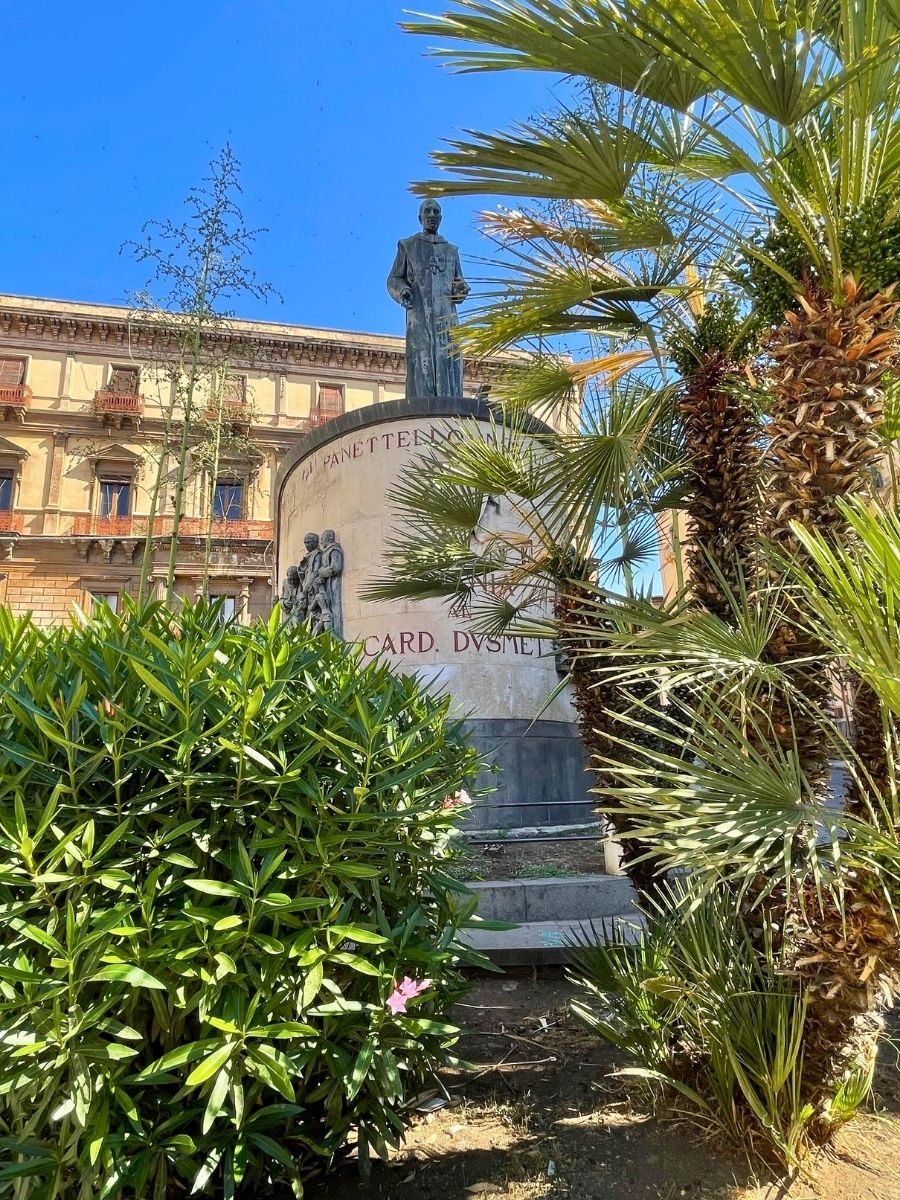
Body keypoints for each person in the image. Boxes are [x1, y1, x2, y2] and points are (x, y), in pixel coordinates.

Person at [387, 199, 470, 399]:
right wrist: (402, 291)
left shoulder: (451, 251)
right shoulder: (408, 246)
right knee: (421, 359)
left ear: (440, 218)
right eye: (427, 211)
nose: (432, 215)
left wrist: (460, 289)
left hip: (446, 318)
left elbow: (459, 282)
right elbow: (393, 278)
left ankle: (449, 404)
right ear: (420, 217)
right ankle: (422, 407)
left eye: (436, 212)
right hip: (420, 313)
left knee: (447, 362)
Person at [310, 529, 344, 638]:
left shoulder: (334, 550)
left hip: (333, 585)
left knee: (334, 607)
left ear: (329, 539)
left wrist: (320, 572)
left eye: (322, 539)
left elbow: (335, 568)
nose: (321, 542)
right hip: (327, 584)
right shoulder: (327, 551)